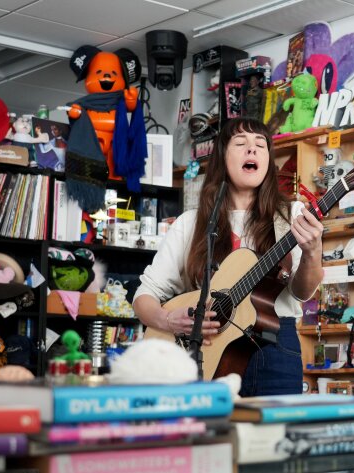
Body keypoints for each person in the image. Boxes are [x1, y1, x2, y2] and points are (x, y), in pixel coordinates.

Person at [133, 117, 325, 396]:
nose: (252, 150)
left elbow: (302, 292)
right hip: (206, 351)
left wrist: (312, 252)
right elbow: (144, 297)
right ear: (222, 158)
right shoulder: (190, 223)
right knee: (209, 438)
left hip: (273, 345)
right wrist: (167, 320)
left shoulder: (290, 216)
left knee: (273, 437)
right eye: (240, 143)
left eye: (261, 145)